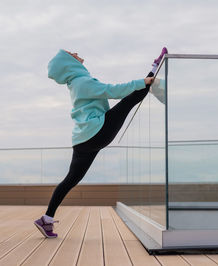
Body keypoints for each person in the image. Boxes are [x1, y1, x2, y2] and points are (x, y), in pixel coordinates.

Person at [34, 47, 168, 238]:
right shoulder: (82, 82)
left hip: (82, 139)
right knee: (128, 101)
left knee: (71, 180)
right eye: (72, 54)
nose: (77, 53)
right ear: (67, 63)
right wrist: (143, 81)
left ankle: (46, 219)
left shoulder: (75, 83)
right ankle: (154, 67)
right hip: (96, 132)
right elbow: (112, 91)